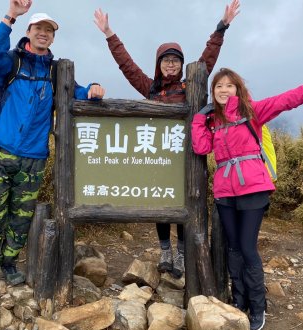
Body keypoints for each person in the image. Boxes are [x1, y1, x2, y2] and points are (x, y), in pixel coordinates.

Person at [191, 64, 303, 330]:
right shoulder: (213, 121)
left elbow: (290, 99)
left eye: (228, 85)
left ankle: (258, 306)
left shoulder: (252, 110)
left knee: (246, 247)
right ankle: (239, 299)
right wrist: (200, 118)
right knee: (232, 249)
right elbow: (201, 147)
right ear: (213, 91)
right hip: (224, 191)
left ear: (237, 89)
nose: (223, 90)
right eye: (218, 86)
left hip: (253, 188)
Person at [94, 0, 241, 278]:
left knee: (184, 205)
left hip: (186, 158)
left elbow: (208, 58)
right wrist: (110, 34)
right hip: (157, 160)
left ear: (181, 65)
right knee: (161, 205)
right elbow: (127, 65)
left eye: (175, 60)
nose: (171, 64)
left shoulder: (191, 86)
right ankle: (165, 252)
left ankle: (183, 256)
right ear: (159, 64)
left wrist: (222, 26)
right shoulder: (149, 88)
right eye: (166, 60)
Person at [0, 0, 106, 292]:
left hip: (33, 157)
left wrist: (92, 89)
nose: (43, 33)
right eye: (39, 28)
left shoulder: (56, 71)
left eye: (49, 30)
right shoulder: (13, 60)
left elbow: (76, 91)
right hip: (1, 149)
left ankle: (8, 263)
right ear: (29, 31)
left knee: (21, 216)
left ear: (53, 37)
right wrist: (11, 16)